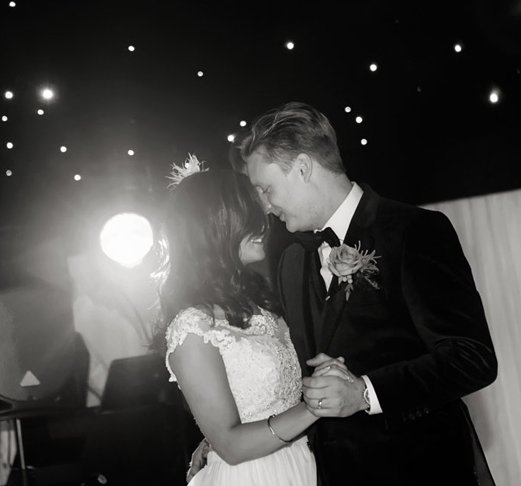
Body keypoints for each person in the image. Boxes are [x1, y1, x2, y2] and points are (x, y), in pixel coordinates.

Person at [204, 101, 499, 485]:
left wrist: (364, 394)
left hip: (421, 469)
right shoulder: (291, 262)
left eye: (266, 188)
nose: (265, 206)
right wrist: (229, 440)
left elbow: (471, 358)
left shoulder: (413, 232)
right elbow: (299, 378)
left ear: (304, 167)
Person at [150, 156, 347, 485]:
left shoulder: (263, 303)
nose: (264, 222)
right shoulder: (192, 328)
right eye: (249, 215)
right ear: (215, 226)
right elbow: (231, 445)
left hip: (302, 463)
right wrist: (315, 406)